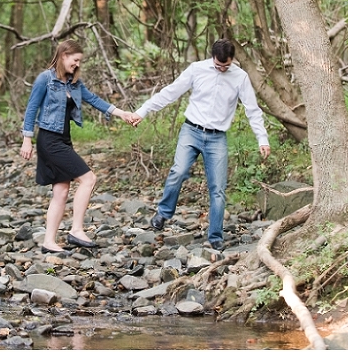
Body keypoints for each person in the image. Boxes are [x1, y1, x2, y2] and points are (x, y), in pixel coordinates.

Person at [130, 39, 270, 251]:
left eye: (226, 66)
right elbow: (171, 92)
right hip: (191, 131)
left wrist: (262, 138)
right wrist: (143, 111)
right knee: (179, 171)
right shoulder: (197, 69)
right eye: (218, 65)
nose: (222, 69)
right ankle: (163, 213)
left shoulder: (240, 77)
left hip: (217, 138)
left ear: (232, 61)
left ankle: (215, 236)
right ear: (212, 58)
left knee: (218, 189)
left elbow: (252, 109)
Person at [21, 39, 138, 254]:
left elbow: (94, 100)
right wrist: (27, 139)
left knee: (61, 191)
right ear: (64, 55)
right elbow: (31, 109)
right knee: (88, 178)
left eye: (79, 62)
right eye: (75, 60)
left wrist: (122, 114)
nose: (77, 65)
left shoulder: (73, 83)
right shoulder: (45, 79)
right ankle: (76, 229)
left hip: (64, 138)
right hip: (49, 139)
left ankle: (49, 241)